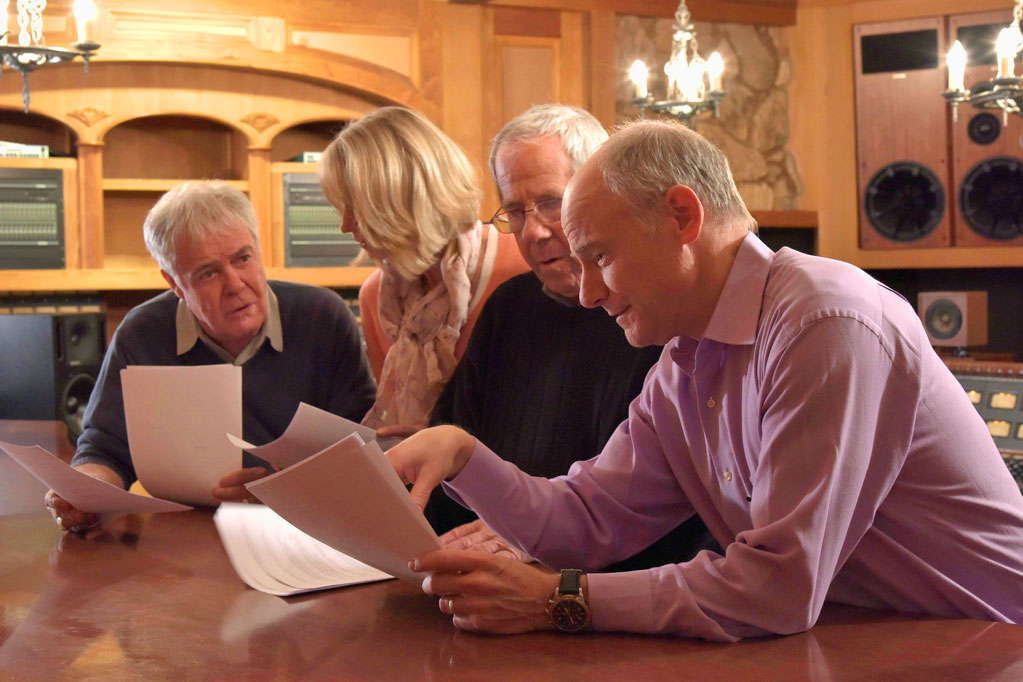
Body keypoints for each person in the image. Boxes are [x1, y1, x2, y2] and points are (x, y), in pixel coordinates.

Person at [387, 119, 1023, 639]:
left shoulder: (825, 319)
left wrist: (561, 599)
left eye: (601, 256)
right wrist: (463, 455)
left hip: (986, 644)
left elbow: (776, 589)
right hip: (869, 641)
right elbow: (587, 521)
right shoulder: (684, 364)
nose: (586, 294)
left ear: (682, 217)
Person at [428, 104, 717, 571]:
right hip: (501, 563)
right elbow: (458, 450)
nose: (535, 231)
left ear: (597, 191)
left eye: (548, 202)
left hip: (622, 578)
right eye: (516, 211)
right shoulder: (508, 307)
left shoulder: (659, 309)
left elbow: (674, 506)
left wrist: (531, 539)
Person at [45, 182, 375, 532]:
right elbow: (103, 450)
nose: (234, 284)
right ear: (174, 283)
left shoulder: (322, 317)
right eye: (208, 272)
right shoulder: (142, 333)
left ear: (260, 252)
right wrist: (81, 494)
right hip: (185, 539)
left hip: (307, 527)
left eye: (243, 258)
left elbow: (365, 450)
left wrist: (283, 488)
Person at [319, 106, 528, 436]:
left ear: (405, 196)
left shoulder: (521, 268)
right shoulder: (376, 297)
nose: (345, 226)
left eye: (356, 206)